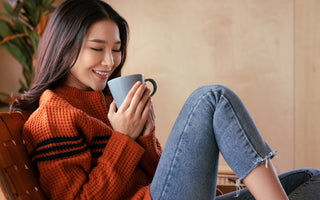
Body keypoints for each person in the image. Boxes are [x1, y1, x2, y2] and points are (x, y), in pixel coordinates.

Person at [10, 0, 319, 199]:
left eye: (116, 48)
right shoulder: (53, 116)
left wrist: (144, 137)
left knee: (311, 180)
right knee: (211, 98)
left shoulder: (107, 103)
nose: (110, 61)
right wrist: (122, 138)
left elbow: (163, 180)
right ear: (65, 48)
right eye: (97, 47)